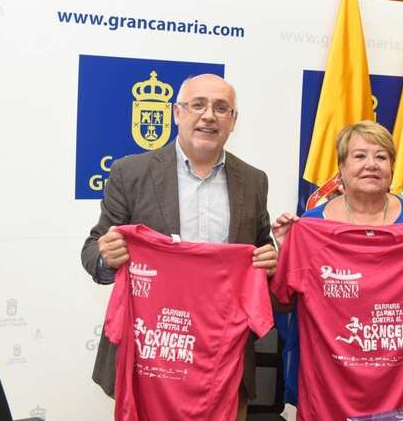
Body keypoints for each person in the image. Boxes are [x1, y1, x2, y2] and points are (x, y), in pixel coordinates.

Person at [81, 73, 277, 421]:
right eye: (197, 105)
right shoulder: (130, 172)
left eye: (221, 108)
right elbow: (93, 248)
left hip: (223, 358)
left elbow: (263, 255)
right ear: (177, 112)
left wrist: (271, 263)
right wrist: (106, 259)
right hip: (151, 356)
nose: (208, 116)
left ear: (233, 120)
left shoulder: (253, 180)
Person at [270, 120, 403, 418]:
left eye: (381, 156)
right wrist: (287, 252)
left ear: (391, 167)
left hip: (400, 382)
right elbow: (284, 303)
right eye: (360, 156)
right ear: (341, 167)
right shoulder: (311, 226)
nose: (371, 165)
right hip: (324, 385)